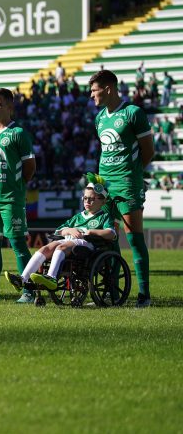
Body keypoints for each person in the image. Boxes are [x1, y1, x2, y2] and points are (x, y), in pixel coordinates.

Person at [89, 69, 155, 308]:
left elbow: (148, 151)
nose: (91, 96)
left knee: (134, 238)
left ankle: (144, 295)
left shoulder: (133, 113)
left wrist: (133, 175)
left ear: (108, 89)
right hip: (104, 186)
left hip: (127, 184)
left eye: (94, 90)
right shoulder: (99, 118)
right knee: (108, 239)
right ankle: (112, 293)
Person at [6, 174, 115, 292]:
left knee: (61, 247)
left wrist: (91, 231)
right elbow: (59, 230)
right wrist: (69, 230)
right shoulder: (78, 217)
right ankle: (22, 279)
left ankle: (52, 278)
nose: (87, 201)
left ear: (103, 201)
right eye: (85, 198)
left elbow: (111, 233)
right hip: (70, 239)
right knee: (46, 248)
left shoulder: (104, 217)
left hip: (87, 243)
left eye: (92, 199)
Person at [0, 88, 36, 303]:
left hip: (11, 199)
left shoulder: (18, 134)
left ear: (10, 107)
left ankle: (28, 292)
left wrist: (16, 186)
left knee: (18, 244)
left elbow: (30, 167)